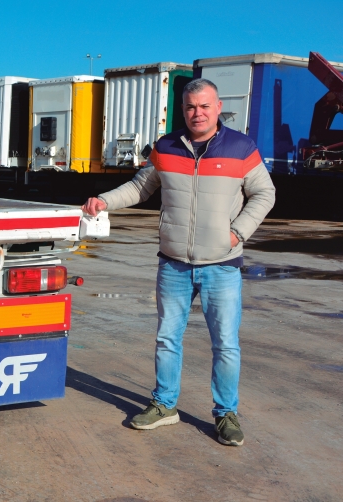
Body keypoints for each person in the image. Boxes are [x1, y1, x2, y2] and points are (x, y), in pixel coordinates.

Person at [82, 78, 275, 447]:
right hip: (173, 264)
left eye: (204, 106)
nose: (197, 113)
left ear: (218, 108)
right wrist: (104, 200)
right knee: (168, 338)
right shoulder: (166, 146)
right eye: (190, 107)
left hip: (222, 265)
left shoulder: (241, 147)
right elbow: (141, 187)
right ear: (182, 109)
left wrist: (237, 233)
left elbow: (264, 192)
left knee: (226, 343)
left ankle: (225, 414)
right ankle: (164, 405)